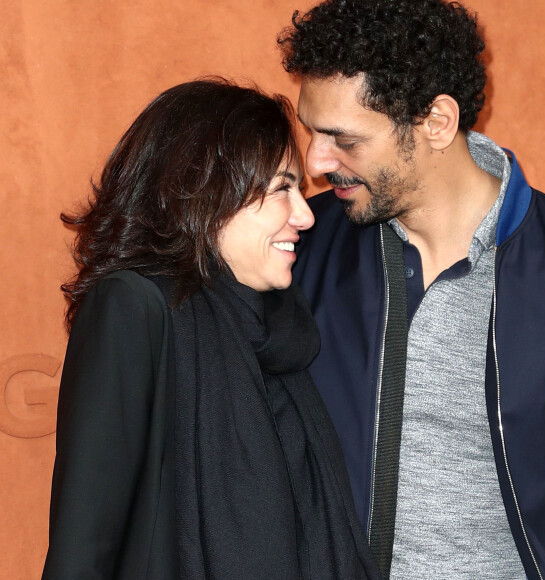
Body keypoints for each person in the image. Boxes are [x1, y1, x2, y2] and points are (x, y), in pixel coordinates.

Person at [278, 1, 545, 579]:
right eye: (312, 131)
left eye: (343, 138)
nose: (316, 161)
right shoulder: (297, 248)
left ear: (437, 122)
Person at [41, 79, 380, 580]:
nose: (305, 216)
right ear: (206, 192)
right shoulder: (133, 307)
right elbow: (86, 539)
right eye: (282, 188)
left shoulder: (285, 327)